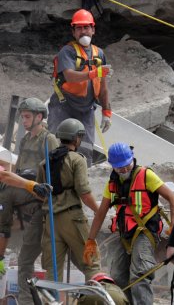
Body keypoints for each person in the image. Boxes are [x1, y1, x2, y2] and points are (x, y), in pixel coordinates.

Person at [85, 142, 174, 304]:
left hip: (145, 232)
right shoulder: (113, 183)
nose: (124, 170)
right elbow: (101, 213)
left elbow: (172, 198)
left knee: (140, 274)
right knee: (118, 276)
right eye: (120, 168)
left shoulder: (145, 175)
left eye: (127, 166)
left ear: (132, 160)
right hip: (125, 233)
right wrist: (91, 240)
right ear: (113, 166)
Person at [0, 97, 59, 303]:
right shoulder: (25, 139)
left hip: (39, 192)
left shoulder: (48, 139)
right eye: (22, 116)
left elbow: (54, 174)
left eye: (27, 117)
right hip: (24, 186)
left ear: (39, 117)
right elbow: (17, 171)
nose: (23, 121)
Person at [39, 118, 100, 281]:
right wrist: (99, 211)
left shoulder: (45, 162)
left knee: (52, 272)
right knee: (91, 264)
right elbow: (84, 193)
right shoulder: (77, 159)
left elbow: (38, 191)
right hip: (72, 219)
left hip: (51, 220)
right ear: (77, 138)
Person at [48, 9, 112, 166]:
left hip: (86, 109)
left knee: (85, 151)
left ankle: (82, 184)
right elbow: (69, 76)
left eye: (86, 27)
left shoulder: (99, 54)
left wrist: (106, 111)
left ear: (93, 29)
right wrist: (93, 73)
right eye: (79, 28)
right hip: (63, 107)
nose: (83, 31)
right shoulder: (67, 52)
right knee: (56, 148)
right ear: (73, 31)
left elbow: (103, 87)